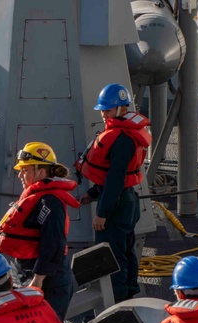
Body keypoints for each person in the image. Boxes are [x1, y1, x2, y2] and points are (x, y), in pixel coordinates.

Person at [75, 83, 152, 302]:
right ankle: (130, 294)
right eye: (102, 109)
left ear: (121, 109)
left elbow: (115, 179)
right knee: (126, 252)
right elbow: (114, 178)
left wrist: (103, 213)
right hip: (128, 201)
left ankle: (117, 303)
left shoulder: (121, 139)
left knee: (112, 256)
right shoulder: (128, 136)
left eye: (107, 110)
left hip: (116, 205)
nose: (103, 114)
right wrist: (93, 191)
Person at [0, 142, 79, 319]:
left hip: (47, 281)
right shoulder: (37, 198)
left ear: (41, 172)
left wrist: (38, 280)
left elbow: (53, 242)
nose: (20, 175)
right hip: (23, 273)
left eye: (25, 170)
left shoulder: (50, 202)